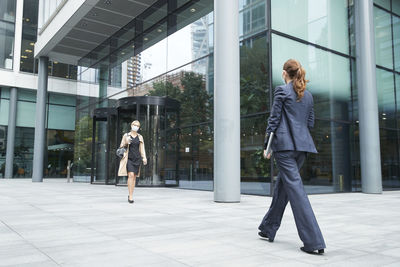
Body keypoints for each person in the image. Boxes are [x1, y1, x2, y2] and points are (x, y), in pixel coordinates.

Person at [258, 59, 326, 255]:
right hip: (302, 148)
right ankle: (268, 228)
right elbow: (310, 122)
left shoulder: (282, 90)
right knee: (284, 187)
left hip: (285, 147)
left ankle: (314, 241)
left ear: (284, 73)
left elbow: (274, 119)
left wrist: (267, 146)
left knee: (295, 191)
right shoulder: (309, 96)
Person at [118, 120, 147, 203]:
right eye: (135, 125)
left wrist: (144, 157)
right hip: (129, 159)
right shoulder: (126, 135)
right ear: (131, 125)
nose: (136, 127)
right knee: (130, 175)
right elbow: (121, 146)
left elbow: (142, 148)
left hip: (137, 159)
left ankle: (131, 193)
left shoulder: (140, 137)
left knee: (134, 177)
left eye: (138, 126)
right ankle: (130, 196)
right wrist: (127, 142)